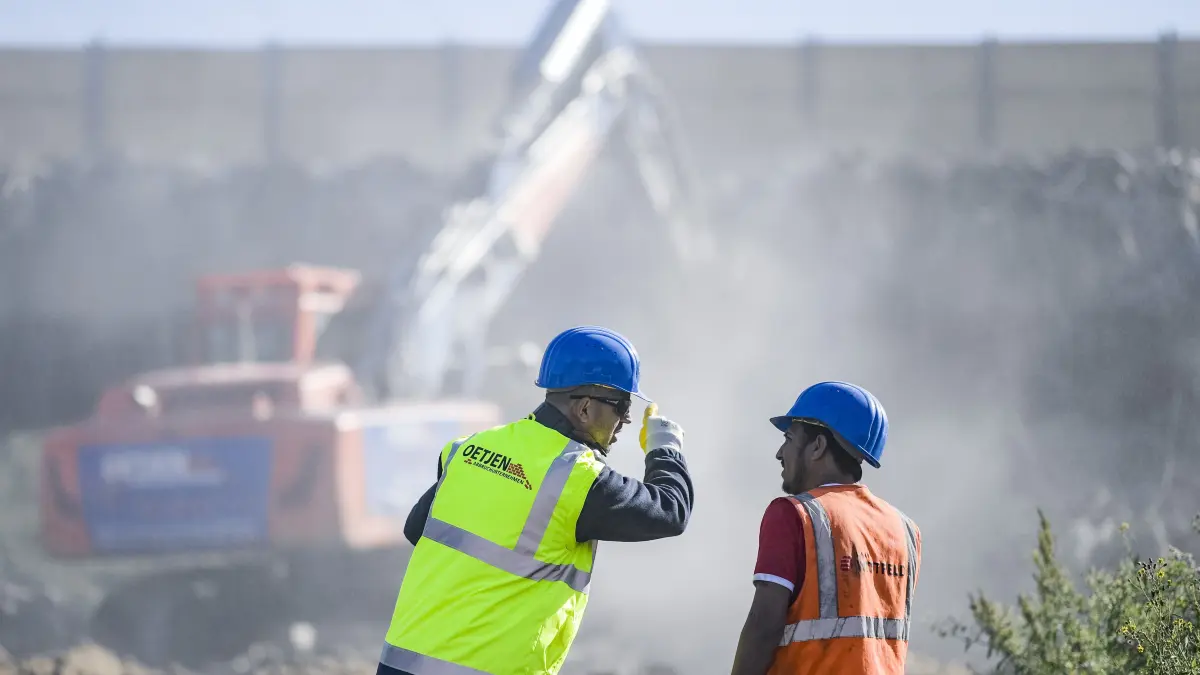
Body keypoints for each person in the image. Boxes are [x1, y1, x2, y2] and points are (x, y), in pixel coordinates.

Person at [376, 325, 694, 675]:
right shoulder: (576, 478)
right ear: (585, 408)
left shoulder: (469, 448)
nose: (626, 420)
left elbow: (415, 530)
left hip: (401, 664)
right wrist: (665, 449)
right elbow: (669, 510)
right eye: (620, 405)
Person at [730, 381, 922, 675]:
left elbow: (764, 626)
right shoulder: (905, 530)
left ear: (817, 446)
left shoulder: (793, 514)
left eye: (790, 438)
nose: (780, 453)